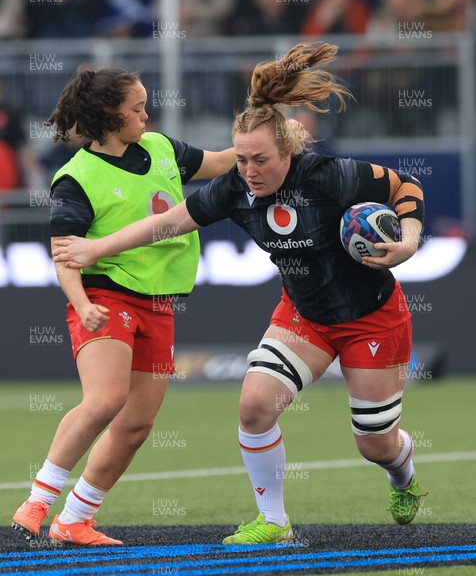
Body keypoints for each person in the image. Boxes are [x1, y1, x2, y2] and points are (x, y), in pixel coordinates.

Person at [52, 43, 427, 544]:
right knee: (254, 405)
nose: (249, 170)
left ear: (288, 151)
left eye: (261, 160)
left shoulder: (328, 175)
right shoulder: (235, 188)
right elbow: (166, 223)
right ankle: (273, 521)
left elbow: (406, 185)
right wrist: (95, 249)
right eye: (242, 159)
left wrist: (407, 241)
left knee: (374, 445)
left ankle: (401, 474)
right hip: (304, 317)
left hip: (373, 317)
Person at [11, 66, 236, 545]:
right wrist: (81, 303)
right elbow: (65, 256)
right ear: (111, 117)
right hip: (105, 295)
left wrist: (266, 148)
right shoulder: (75, 178)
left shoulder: (160, 148)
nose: (145, 114)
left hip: (159, 302)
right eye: (136, 108)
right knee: (106, 402)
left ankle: (74, 520)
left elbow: (219, 164)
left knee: (135, 425)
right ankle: (36, 501)